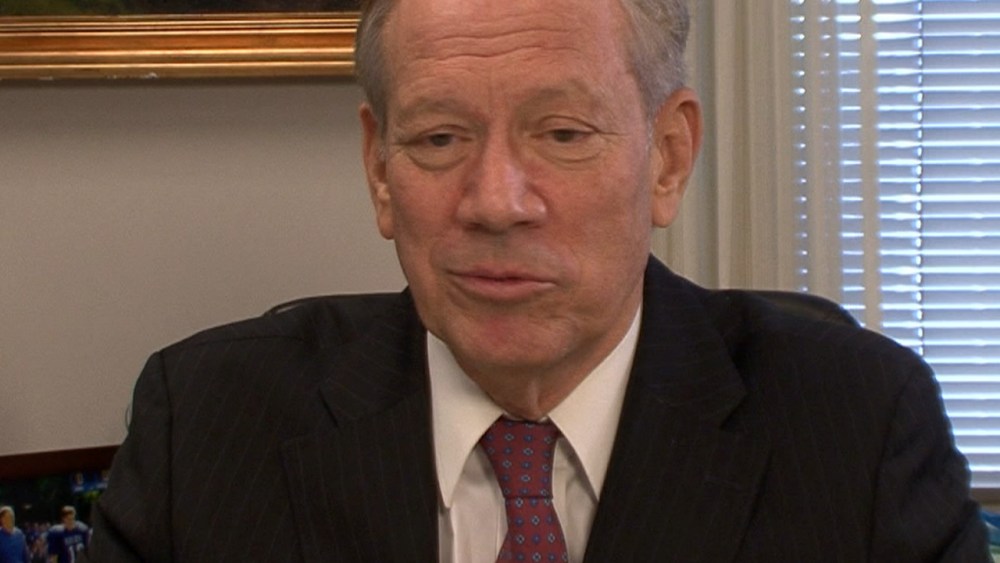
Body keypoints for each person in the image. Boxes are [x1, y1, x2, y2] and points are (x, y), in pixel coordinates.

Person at [83, 0, 990, 561]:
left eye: (562, 134)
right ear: (379, 170)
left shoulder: (857, 425)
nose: (496, 202)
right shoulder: (206, 422)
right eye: (440, 138)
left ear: (668, 158)